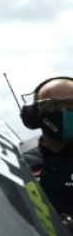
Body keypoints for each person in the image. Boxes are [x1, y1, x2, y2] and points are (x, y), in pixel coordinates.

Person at [20, 76, 73, 220]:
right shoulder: (20, 165)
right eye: (51, 105)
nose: (63, 111)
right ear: (33, 114)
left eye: (72, 104)